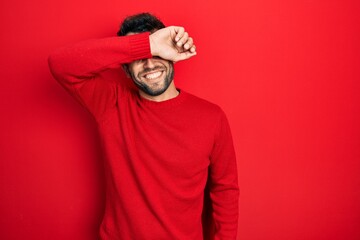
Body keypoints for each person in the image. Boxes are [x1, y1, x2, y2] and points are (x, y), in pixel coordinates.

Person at [48, 12, 239, 240]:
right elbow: (60, 64)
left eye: (157, 53)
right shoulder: (111, 104)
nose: (149, 64)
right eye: (140, 57)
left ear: (171, 57)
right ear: (126, 70)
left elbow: (225, 191)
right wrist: (148, 44)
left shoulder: (212, 117)